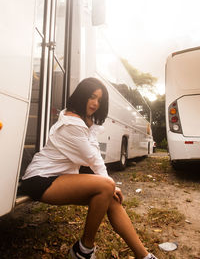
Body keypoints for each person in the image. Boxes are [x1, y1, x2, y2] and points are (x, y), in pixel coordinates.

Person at [21, 77, 158, 259]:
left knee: (111, 200)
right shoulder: (72, 124)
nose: (95, 104)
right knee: (106, 187)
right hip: (40, 179)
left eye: (99, 100)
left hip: (56, 177)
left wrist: (91, 125)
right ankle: (84, 249)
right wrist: (111, 184)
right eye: (92, 97)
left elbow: (93, 154)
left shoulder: (81, 121)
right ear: (82, 95)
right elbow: (93, 159)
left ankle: (144, 256)